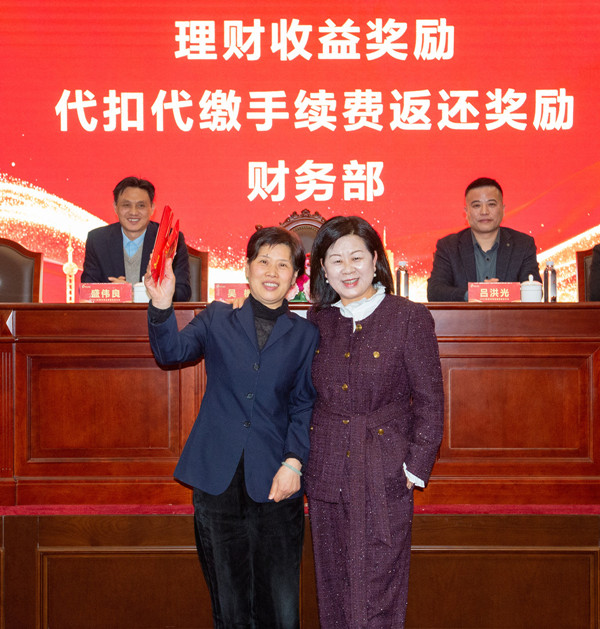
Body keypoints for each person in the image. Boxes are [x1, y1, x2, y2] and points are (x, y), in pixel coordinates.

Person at [145, 226, 319, 629]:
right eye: (263, 261)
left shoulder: (306, 334)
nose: (271, 272)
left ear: (296, 278)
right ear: (247, 268)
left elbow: (304, 404)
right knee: (230, 606)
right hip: (217, 478)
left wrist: (294, 463)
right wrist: (161, 305)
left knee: (281, 609)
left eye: (283, 265)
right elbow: (171, 352)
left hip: (277, 479)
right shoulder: (217, 317)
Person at [306, 216, 444, 628]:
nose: (347, 269)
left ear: (375, 261)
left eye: (357, 257)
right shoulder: (317, 322)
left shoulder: (408, 317)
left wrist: (415, 467)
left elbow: (431, 400)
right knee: (334, 585)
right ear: (323, 269)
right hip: (327, 470)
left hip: (385, 470)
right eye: (336, 260)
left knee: (378, 590)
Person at [427, 177, 541, 302]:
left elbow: (534, 289)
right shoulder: (448, 246)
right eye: (476, 205)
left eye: (491, 204)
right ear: (466, 212)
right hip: (465, 315)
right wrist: (474, 294)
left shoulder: (523, 244)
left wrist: (498, 293)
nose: (484, 211)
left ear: (503, 209)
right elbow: (435, 291)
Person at [81, 176, 191, 301]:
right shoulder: (97, 240)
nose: (133, 212)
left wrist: (135, 294)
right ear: (115, 207)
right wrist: (116, 293)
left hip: (155, 313)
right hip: (113, 313)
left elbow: (182, 293)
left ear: (152, 208)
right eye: (126, 205)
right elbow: (87, 292)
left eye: (141, 206)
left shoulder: (170, 239)